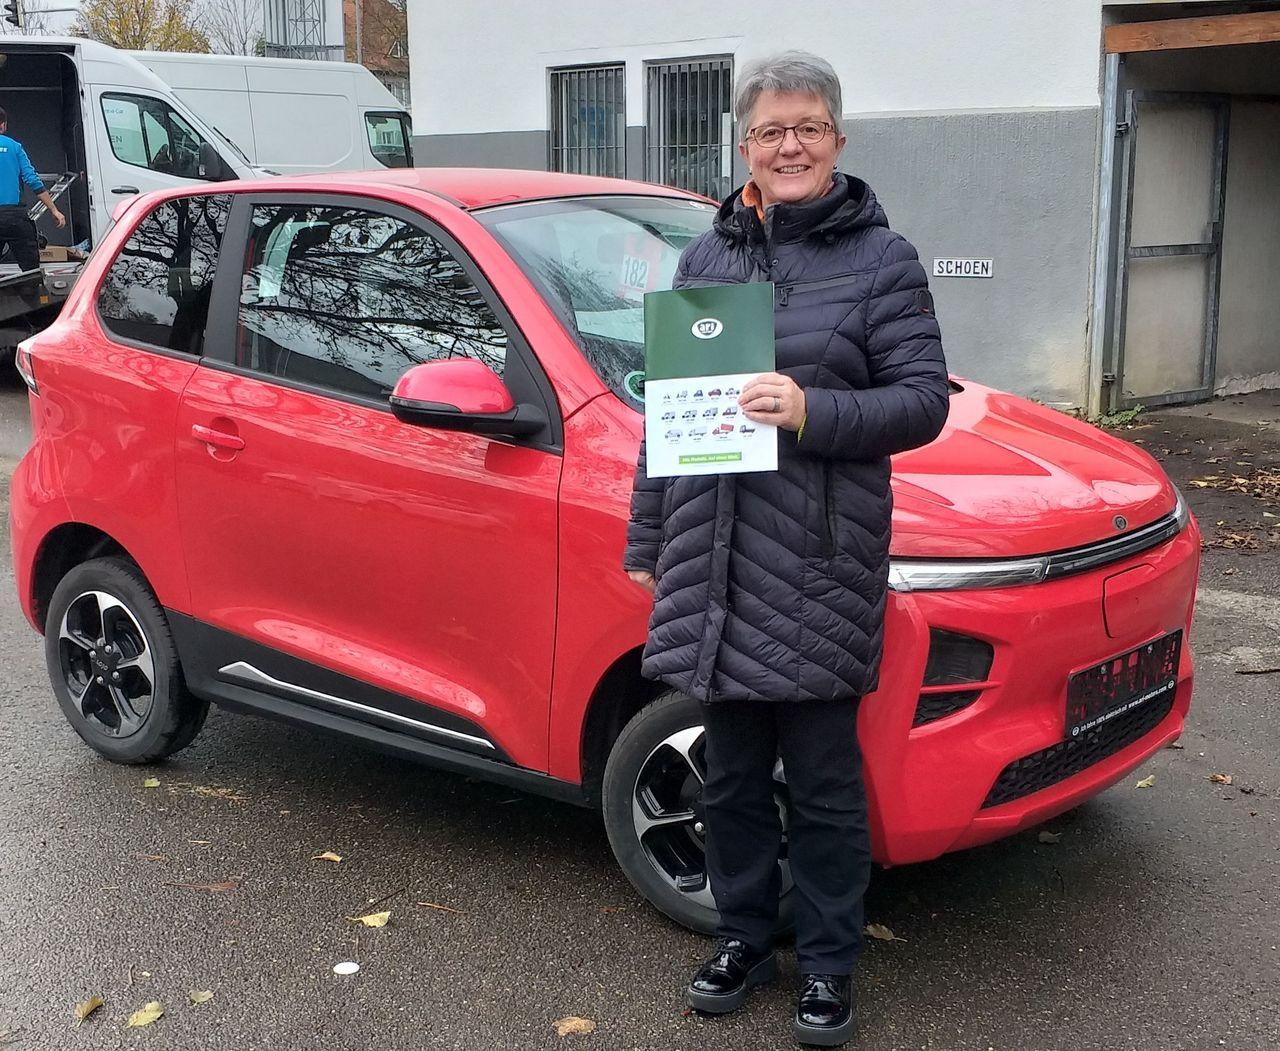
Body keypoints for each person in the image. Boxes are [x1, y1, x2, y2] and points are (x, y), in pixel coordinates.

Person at [622, 52, 950, 1047]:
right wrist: (645, 529)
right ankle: (740, 935)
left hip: (815, 560)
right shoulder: (706, 257)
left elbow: (922, 403)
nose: (789, 146)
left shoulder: (880, 260)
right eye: (770, 131)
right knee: (727, 776)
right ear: (744, 146)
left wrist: (811, 409)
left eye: (806, 127)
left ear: (836, 141)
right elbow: (664, 412)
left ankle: (827, 961)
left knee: (818, 781)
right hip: (711, 558)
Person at [0, 106, 67, 273]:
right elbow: (33, 181)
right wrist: (54, 210)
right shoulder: (15, 147)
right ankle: (29, 293)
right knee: (30, 273)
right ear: (3, 125)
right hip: (15, 217)